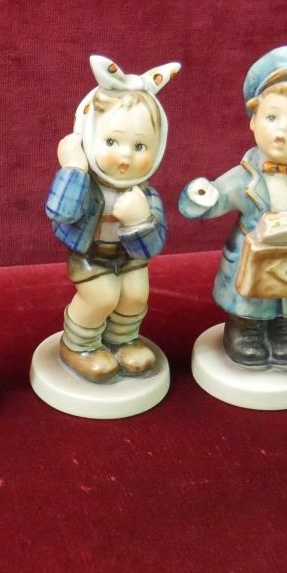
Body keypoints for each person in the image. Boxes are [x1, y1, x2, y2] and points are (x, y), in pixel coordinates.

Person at [177, 45, 287, 371]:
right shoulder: (244, 176)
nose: (282, 132)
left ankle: (283, 327)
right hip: (253, 256)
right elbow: (215, 200)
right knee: (252, 300)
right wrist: (201, 196)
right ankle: (245, 329)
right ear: (254, 120)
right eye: (272, 117)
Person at [45, 54, 178, 381]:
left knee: (136, 294)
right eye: (111, 141)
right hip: (91, 254)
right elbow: (60, 214)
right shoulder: (86, 184)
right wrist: (73, 169)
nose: (124, 155)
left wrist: (140, 221)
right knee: (102, 296)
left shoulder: (145, 195)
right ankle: (79, 345)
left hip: (129, 256)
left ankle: (123, 341)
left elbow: (153, 247)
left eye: (140, 146)